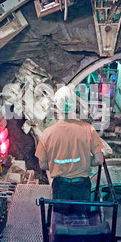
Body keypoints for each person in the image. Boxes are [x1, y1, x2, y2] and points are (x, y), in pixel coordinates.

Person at [35, 85, 105, 215]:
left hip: (60, 186)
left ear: (56, 107)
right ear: (74, 106)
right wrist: (81, 161)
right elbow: (99, 159)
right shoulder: (88, 129)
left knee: (60, 221)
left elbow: (42, 164)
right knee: (81, 221)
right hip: (82, 186)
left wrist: (61, 163)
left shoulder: (47, 133)